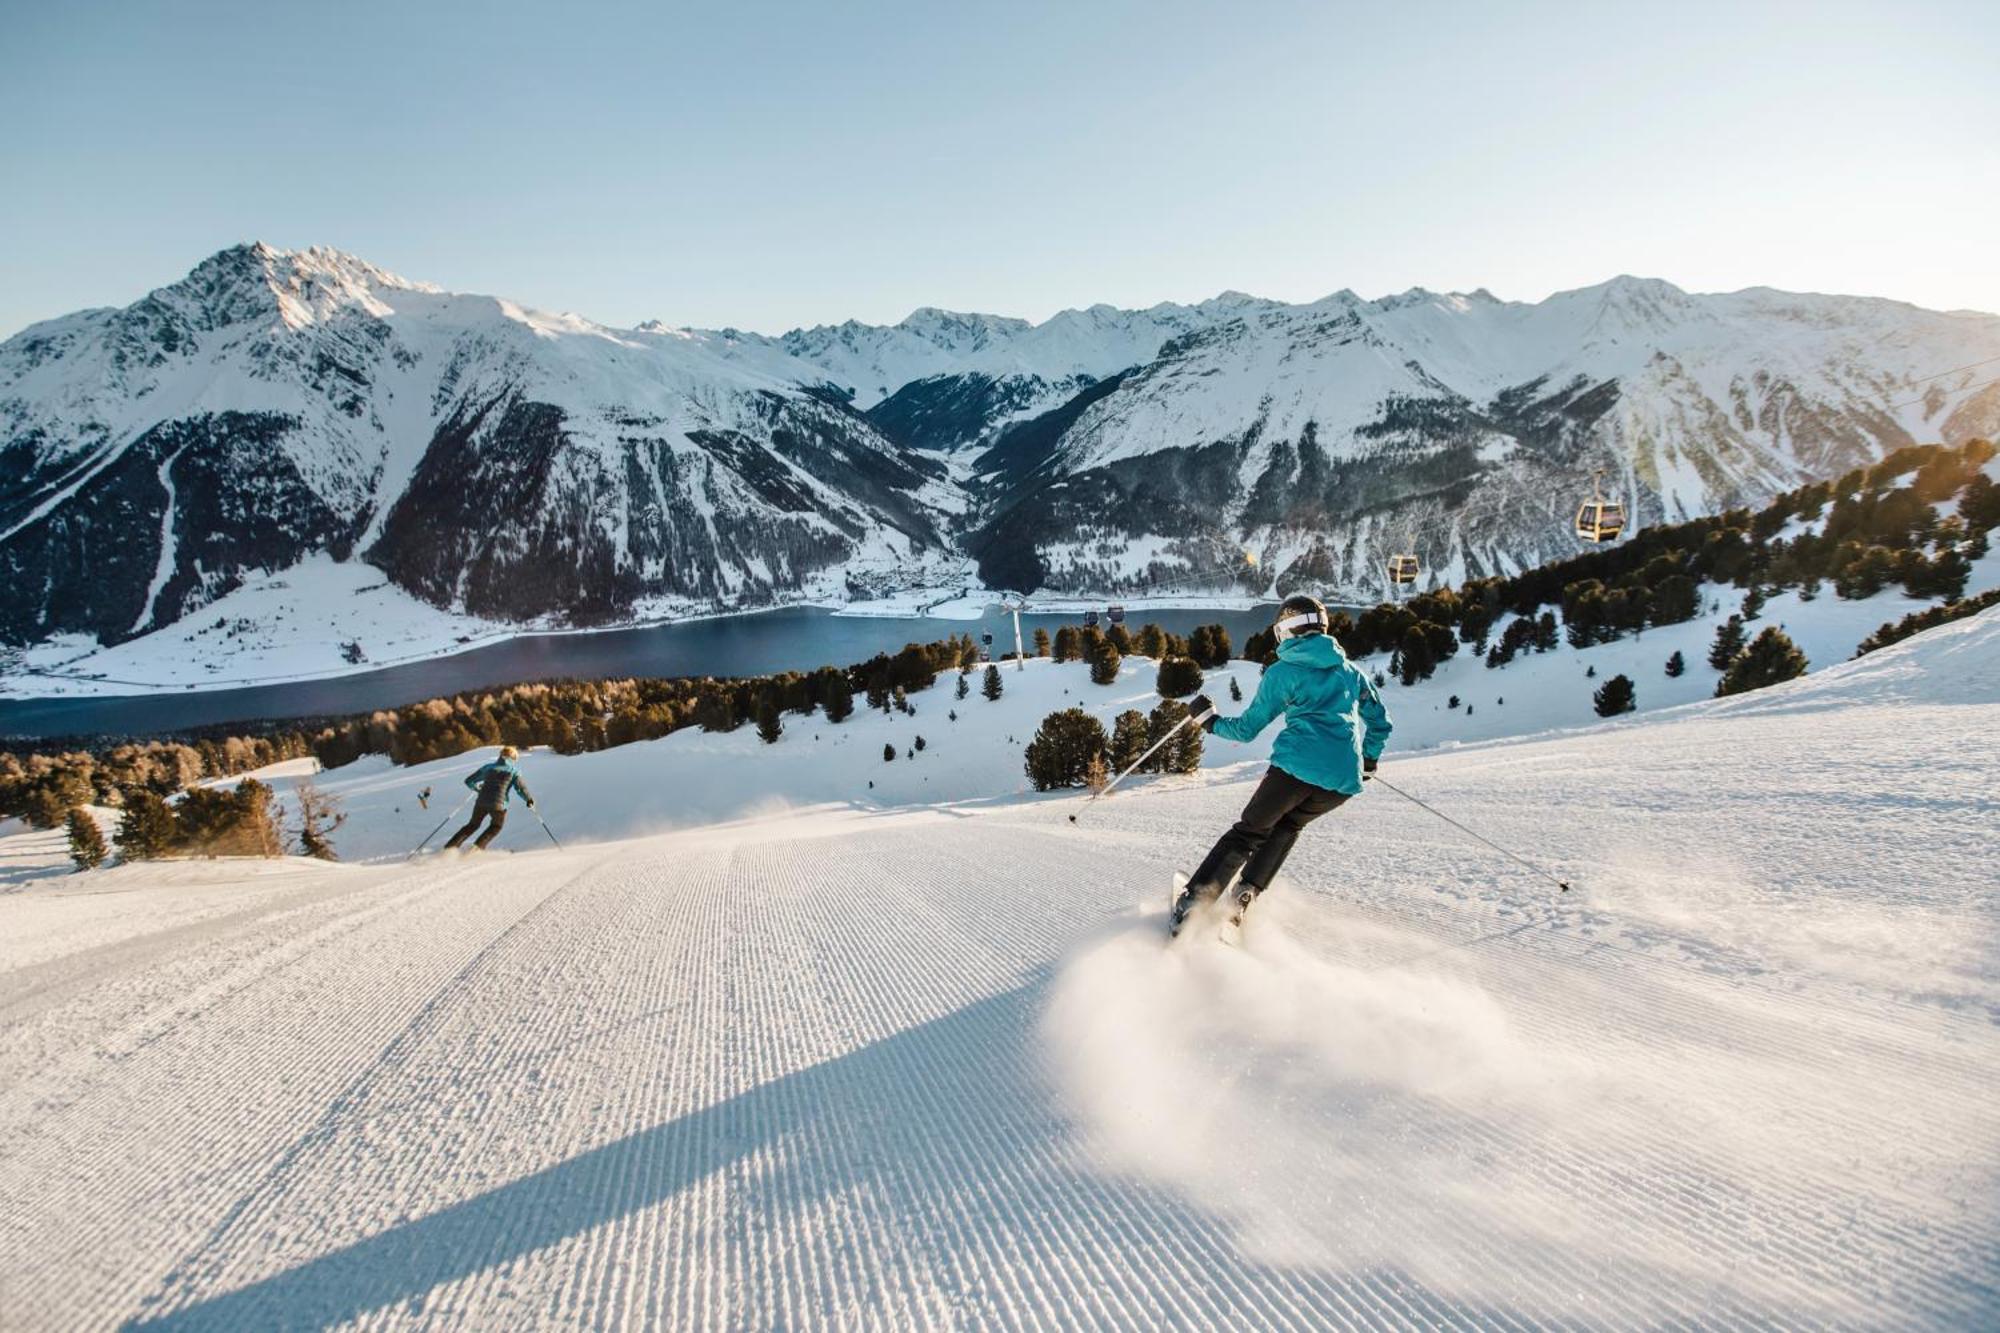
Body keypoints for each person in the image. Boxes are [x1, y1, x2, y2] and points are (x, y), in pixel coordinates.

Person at [1170, 595, 1392, 936]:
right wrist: (1369, 760)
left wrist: (1209, 722)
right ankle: (1243, 896)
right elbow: (1380, 721)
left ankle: (1193, 906)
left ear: (1285, 630)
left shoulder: (1283, 672)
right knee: (1288, 827)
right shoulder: (1350, 672)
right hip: (1342, 782)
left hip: (1294, 771)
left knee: (1248, 833)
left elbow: (1246, 730)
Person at [443, 745, 536, 852]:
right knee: (496, 826)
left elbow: (469, 781)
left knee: (472, 825)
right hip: (499, 805)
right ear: (513, 758)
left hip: (481, 802)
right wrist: (529, 800)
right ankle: (475, 849)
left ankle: (449, 849)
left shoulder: (488, 767)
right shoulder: (514, 771)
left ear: (501, 755)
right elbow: (521, 788)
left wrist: (478, 789)